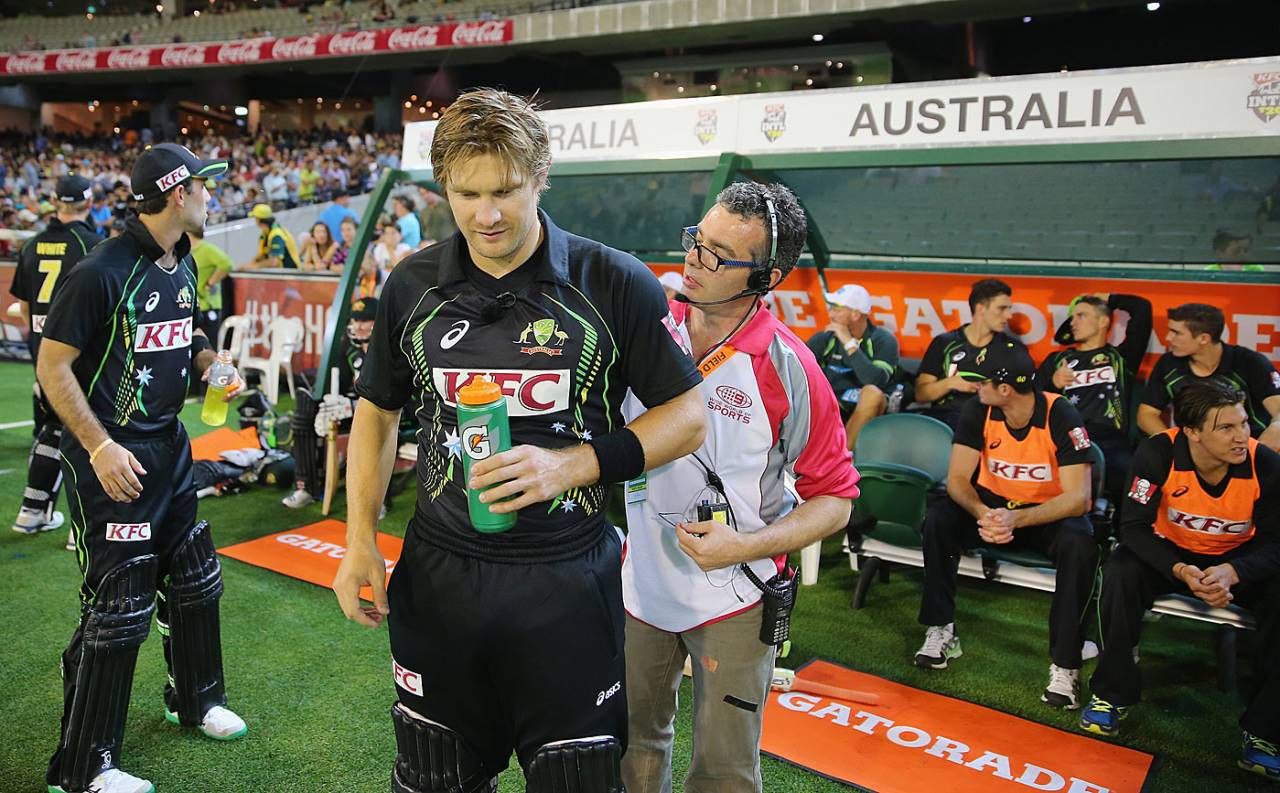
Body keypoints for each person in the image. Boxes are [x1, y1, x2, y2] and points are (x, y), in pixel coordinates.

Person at [332, 88, 706, 793]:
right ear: (443, 186)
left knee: (578, 777)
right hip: (439, 577)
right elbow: (378, 412)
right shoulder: (411, 285)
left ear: (541, 176)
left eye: (505, 189)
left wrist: (576, 463)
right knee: (431, 775)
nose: (487, 213)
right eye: (466, 194)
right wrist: (358, 539)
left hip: (566, 584)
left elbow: (688, 416)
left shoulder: (614, 281)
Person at [621, 183, 859, 793]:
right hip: (636, 587)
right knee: (631, 749)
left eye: (719, 255)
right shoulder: (646, 328)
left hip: (735, 597)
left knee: (725, 773)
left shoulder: (791, 369)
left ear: (767, 276)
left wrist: (743, 547)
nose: (693, 262)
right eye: (696, 241)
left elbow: (835, 499)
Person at [37, 143, 248, 793]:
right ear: (179, 193)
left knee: (193, 573)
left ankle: (195, 696)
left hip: (168, 445)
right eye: (207, 189)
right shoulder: (102, 269)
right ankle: (83, 767)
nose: (215, 198)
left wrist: (214, 364)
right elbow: (52, 366)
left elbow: (193, 332)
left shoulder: (179, 261)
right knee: (121, 600)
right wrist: (99, 446)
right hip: (110, 455)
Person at [1081, 380, 1280, 782]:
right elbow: (1133, 528)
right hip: (1173, 556)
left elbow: (1278, 543)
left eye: (1244, 423)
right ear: (1191, 432)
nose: (1243, 436)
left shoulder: (1266, 463)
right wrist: (1180, 570)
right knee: (1120, 569)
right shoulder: (1157, 454)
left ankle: (1265, 733)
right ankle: (1112, 693)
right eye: (1227, 428)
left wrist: (1234, 572)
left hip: (1238, 562)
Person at [914, 341, 1098, 710]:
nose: (973, 387)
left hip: (1046, 513)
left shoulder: (1061, 414)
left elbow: (1080, 498)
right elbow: (957, 480)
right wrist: (985, 514)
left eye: (981, 382)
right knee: (940, 517)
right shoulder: (977, 410)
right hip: (993, 509)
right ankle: (941, 628)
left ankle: (1066, 663)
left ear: (1005, 389)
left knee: (1080, 542)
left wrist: (1019, 518)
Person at [9, 174, 104, 541]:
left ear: (53, 200)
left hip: (43, 358)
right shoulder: (93, 245)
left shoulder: (32, 245)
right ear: (89, 201)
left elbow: (24, 306)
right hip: (81, 360)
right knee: (90, 435)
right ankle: (82, 528)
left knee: (52, 429)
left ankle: (33, 511)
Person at [1037, 292, 1153, 502]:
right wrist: (1052, 383)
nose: (1073, 322)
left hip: (1111, 439)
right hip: (1067, 438)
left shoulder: (1121, 358)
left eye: (1081, 316)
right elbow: (1030, 400)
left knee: (1141, 483)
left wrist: (1110, 298)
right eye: (1072, 318)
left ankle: (1126, 529)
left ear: (1103, 321)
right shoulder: (1058, 359)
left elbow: (1142, 309)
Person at [1137, 303, 1280, 451]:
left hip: (1245, 447)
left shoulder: (1250, 362)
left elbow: (1278, 408)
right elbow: (1146, 415)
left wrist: (1276, 428)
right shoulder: (1168, 364)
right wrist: (1175, 444)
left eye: (1176, 333)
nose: (1168, 338)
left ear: (1204, 338)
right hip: (1194, 449)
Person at [283, 296, 377, 509]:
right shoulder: (348, 348)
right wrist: (332, 404)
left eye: (364, 321)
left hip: (386, 411)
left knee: (372, 422)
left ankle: (376, 499)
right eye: (354, 321)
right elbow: (340, 382)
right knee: (305, 413)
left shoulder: (390, 347)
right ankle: (305, 487)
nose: (357, 326)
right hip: (353, 407)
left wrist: (356, 405)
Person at [915, 278, 1025, 429]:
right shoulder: (944, 342)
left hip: (987, 422)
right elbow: (921, 394)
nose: (1008, 316)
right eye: (1001, 308)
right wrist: (950, 383)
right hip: (942, 421)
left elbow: (1023, 398)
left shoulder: (1013, 349)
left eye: (1009, 309)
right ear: (980, 308)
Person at [807, 283, 899, 451]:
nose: (831, 314)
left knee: (872, 393)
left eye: (837, 309)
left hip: (862, 411)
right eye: (831, 308)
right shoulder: (824, 339)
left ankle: (842, 460)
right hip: (826, 407)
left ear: (856, 314)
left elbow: (876, 380)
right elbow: (797, 372)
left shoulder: (883, 340)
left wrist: (848, 342)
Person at [190, 226, 234, 353]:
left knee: (208, 345)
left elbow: (227, 264)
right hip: (196, 306)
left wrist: (210, 283)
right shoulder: (190, 251)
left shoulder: (206, 249)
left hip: (208, 306)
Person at [243, 202, 300, 269]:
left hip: (289, 274)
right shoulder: (265, 234)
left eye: (255, 218)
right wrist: (249, 264)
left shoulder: (276, 235)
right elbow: (262, 255)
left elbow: (274, 262)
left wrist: (252, 266)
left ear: (258, 219)